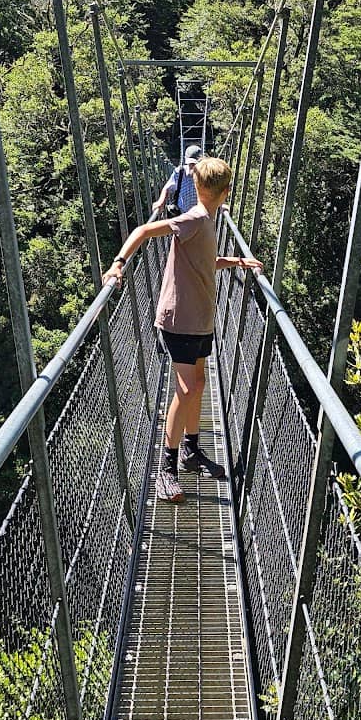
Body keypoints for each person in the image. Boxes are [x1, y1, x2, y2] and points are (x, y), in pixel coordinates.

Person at [104, 155, 262, 503]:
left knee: (200, 383)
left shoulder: (207, 220)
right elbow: (144, 230)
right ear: (227, 192)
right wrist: (118, 264)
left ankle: (191, 451)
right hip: (179, 319)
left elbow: (204, 260)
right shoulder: (193, 218)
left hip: (200, 318)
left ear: (196, 185)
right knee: (187, 389)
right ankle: (166, 469)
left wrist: (235, 261)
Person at [155, 143, 202, 217]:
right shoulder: (180, 172)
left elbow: (214, 191)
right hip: (182, 215)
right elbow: (167, 188)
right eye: (190, 163)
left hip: (199, 216)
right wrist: (161, 202)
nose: (193, 166)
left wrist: (221, 203)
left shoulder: (205, 174)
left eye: (195, 163)